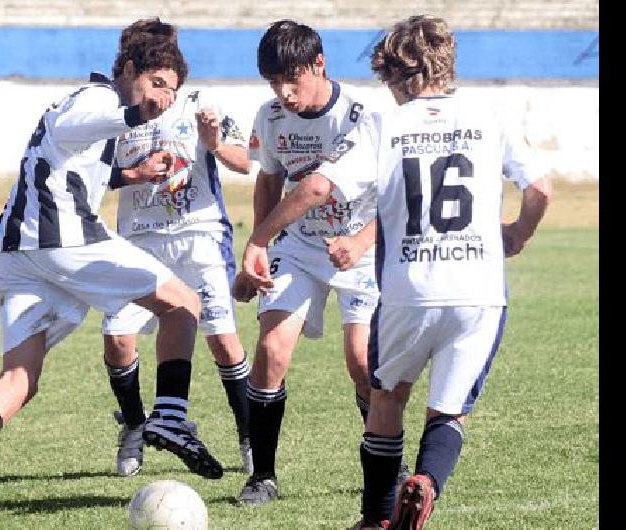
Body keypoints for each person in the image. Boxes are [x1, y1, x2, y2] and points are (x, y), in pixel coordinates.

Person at [0, 21, 225, 523]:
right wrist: (135, 112)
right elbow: (74, 128)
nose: (164, 98)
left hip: (20, 254)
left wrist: (131, 172)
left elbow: (70, 160)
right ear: (128, 71)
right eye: (156, 84)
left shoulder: (98, 110)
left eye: (171, 90)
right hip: (64, 239)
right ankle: (171, 419)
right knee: (185, 305)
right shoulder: (96, 99)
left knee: (21, 375)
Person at [349, 15, 552, 530]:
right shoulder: (491, 114)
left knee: (388, 395)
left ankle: (375, 518)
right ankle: (426, 483)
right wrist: (518, 233)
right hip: (477, 291)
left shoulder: (385, 122)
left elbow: (331, 187)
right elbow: (541, 189)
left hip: (406, 288)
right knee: (448, 412)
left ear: (397, 75)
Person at [233, 19, 406, 506]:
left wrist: (363, 239)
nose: (284, 92)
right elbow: (269, 181)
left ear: (319, 65)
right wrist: (260, 246)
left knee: (362, 361)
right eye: (273, 82)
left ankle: (388, 459)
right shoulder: (269, 117)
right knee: (270, 352)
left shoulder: (363, 114)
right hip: (300, 247)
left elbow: (396, 194)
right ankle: (262, 476)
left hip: (362, 246)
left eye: (293, 79)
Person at [99, 19, 254, 478]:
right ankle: (134, 424)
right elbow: (92, 178)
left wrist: (215, 144)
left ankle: (250, 436)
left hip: (199, 235)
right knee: (117, 338)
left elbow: (246, 161)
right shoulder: (117, 114)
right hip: (140, 242)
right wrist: (135, 174)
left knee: (224, 342)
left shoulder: (198, 103)